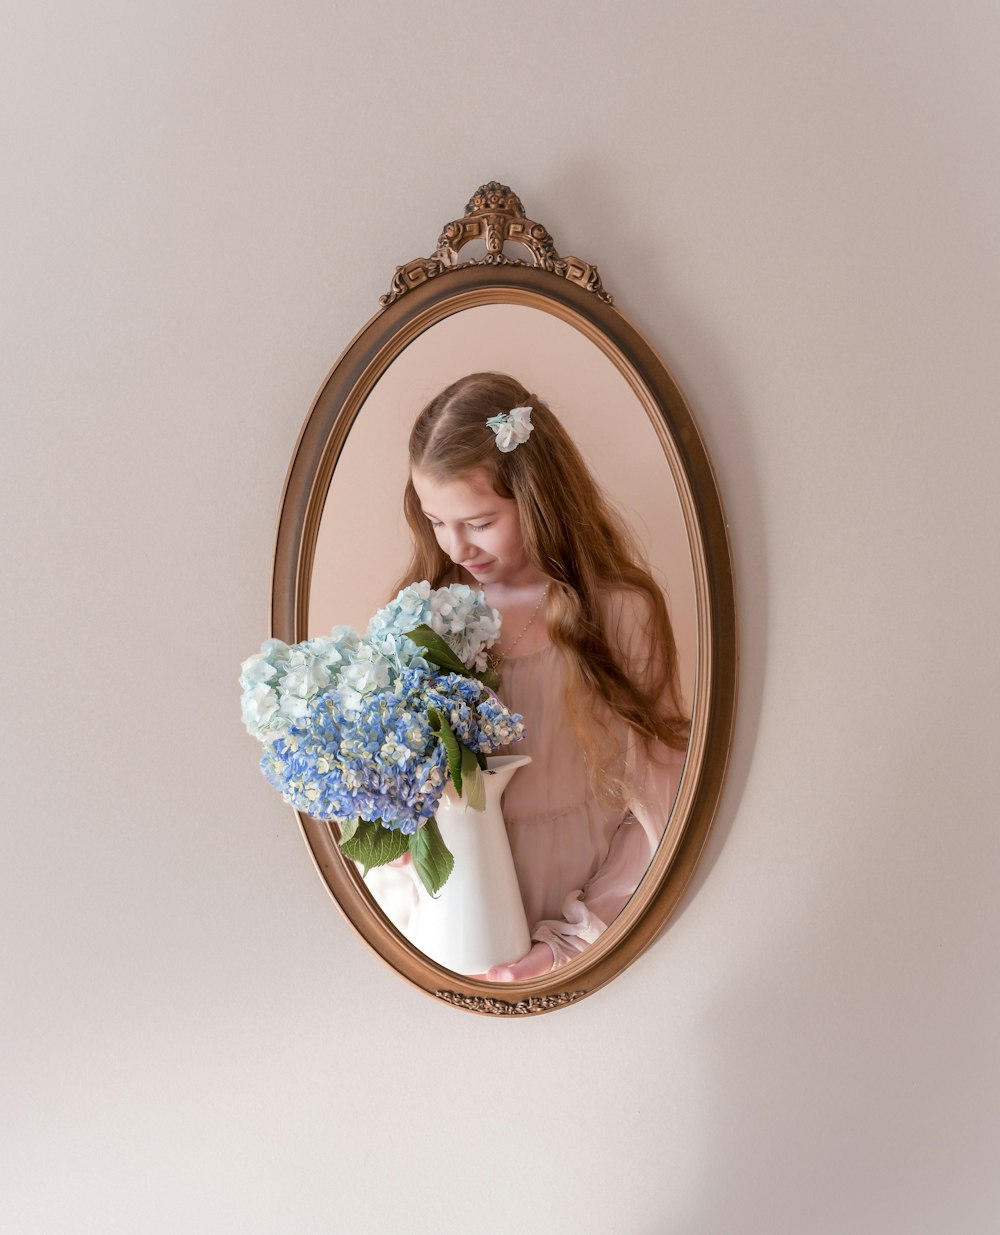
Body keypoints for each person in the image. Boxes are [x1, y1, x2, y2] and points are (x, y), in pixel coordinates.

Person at [391, 371, 690, 982]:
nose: (455, 546)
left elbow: (664, 796)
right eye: (434, 520)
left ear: (537, 498)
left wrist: (579, 936)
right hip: (458, 898)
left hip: (583, 894)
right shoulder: (425, 614)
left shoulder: (620, 612)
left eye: (478, 522)